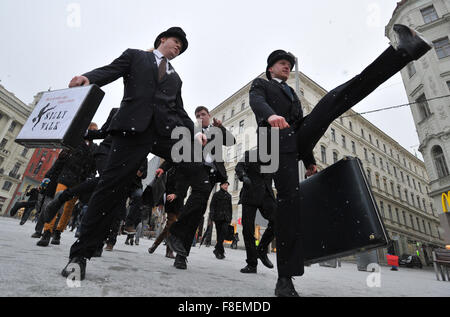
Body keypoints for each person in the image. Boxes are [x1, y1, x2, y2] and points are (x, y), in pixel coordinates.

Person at [248, 24, 432, 296]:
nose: (287, 67)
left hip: (295, 141)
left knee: (336, 98)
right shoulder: (261, 84)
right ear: (270, 68)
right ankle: (284, 278)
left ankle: (403, 52)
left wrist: (309, 160)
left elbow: (300, 125)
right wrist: (269, 115)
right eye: (282, 63)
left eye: (290, 64)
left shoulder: (292, 95)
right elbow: (256, 101)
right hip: (273, 148)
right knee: (289, 206)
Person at [61, 27, 198, 281]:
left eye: (182, 46)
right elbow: (110, 70)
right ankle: (80, 255)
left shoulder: (175, 77)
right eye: (176, 42)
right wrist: (88, 78)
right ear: (162, 40)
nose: (178, 47)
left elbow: (179, 109)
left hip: (162, 133)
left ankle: (179, 232)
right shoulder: (136, 56)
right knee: (111, 187)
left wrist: (194, 132)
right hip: (131, 130)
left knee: (197, 164)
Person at [165, 106, 235, 270]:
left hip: (210, 174)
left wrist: (221, 127)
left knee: (197, 212)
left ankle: (181, 255)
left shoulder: (216, 131)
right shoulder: (193, 130)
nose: (200, 117)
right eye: (197, 115)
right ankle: (175, 233)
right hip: (193, 170)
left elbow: (231, 141)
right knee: (194, 205)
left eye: (203, 114)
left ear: (209, 116)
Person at [37, 123, 98, 247]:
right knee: (56, 201)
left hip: (79, 181)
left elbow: (94, 166)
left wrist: (90, 176)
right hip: (65, 177)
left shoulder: (95, 148)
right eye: (91, 130)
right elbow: (61, 160)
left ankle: (58, 231)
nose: (92, 132)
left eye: (95, 131)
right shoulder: (75, 142)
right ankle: (47, 232)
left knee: (68, 208)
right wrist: (50, 175)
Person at [235, 149, 275, 274]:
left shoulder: (273, 157)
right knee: (248, 230)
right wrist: (243, 176)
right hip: (250, 192)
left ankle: (262, 250)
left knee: (278, 220)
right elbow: (239, 167)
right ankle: (252, 264)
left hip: (266, 195)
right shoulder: (250, 154)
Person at [148, 165, 188, 258]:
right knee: (172, 224)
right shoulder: (169, 170)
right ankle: (169, 251)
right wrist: (161, 202)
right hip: (170, 201)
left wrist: (177, 194)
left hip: (179, 201)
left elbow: (185, 187)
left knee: (169, 227)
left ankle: (155, 244)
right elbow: (162, 188)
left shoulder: (186, 170)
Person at [209, 181, 233, 260]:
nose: (226, 186)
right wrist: (211, 215)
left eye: (227, 185)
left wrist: (230, 218)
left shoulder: (229, 196)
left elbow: (230, 208)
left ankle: (216, 249)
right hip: (218, 217)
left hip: (226, 218)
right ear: (221, 185)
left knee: (224, 232)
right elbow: (212, 205)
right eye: (225, 185)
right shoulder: (216, 195)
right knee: (219, 234)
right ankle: (220, 252)